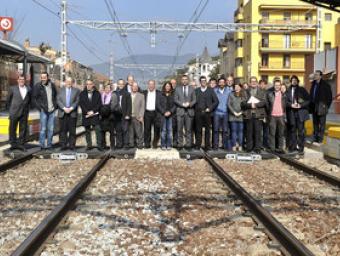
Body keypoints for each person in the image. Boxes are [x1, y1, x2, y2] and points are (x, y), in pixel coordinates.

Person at [241, 76, 266, 153]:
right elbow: (242, 103)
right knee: (249, 132)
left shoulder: (262, 91)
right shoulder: (245, 91)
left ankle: (257, 148)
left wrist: (256, 105)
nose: (253, 83)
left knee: (258, 132)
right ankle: (249, 148)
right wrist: (250, 105)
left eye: (255, 81)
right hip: (249, 114)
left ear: (257, 82)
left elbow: (264, 102)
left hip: (258, 114)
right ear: (249, 83)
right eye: (252, 81)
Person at [6, 74, 31, 151]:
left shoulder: (29, 89)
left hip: (24, 112)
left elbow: (29, 100)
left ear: (25, 80)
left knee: (23, 129)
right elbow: (8, 101)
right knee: (12, 129)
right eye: (20, 79)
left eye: (23, 79)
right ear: (17, 80)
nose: (21, 81)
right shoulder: (12, 89)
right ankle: (13, 144)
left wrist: (27, 109)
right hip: (14, 112)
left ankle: (21, 144)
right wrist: (11, 110)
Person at [33, 72, 57, 150]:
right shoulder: (37, 86)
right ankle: (42, 145)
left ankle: (49, 145)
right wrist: (40, 108)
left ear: (47, 77)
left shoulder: (52, 85)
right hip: (43, 110)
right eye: (42, 77)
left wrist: (55, 106)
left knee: (51, 128)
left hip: (52, 110)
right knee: (43, 129)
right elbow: (34, 98)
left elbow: (55, 96)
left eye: (44, 77)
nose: (43, 78)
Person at [286, 75, 310, 153]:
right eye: (292, 80)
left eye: (295, 80)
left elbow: (308, 100)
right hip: (292, 113)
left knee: (301, 131)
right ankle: (293, 147)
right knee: (292, 131)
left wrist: (301, 105)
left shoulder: (302, 90)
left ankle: (301, 148)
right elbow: (285, 101)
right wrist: (290, 105)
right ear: (291, 82)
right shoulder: (288, 90)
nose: (294, 81)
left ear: (298, 81)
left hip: (300, 113)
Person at [194, 76, 218, 150]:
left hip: (208, 113)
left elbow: (216, 101)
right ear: (200, 82)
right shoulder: (196, 90)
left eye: (204, 81)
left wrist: (210, 108)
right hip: (198, 113)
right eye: (202, 81)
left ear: (206, 82)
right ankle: (198, 145)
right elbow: (193, 101)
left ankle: (207, 146)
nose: (203, 82)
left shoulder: (211, 90)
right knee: (198, 130)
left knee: (207, 130)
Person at [56, 77, 80, 150]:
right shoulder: (60, 90)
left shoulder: (76, 91)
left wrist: (71, 108)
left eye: (70, 82)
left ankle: (72, 145)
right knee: (62, 130)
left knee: (72, 130)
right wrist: (64, 108)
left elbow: (77, 101)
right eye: (67, 81)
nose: (68, 83)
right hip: (62, 112)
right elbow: (58, 100)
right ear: (65, 82)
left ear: (72, 82)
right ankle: (63, 145)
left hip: (72, 113)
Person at [79, 79, 103, 150]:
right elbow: (81, 104)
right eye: (87, 84)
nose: (88, 86)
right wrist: (87, 112)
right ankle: (89, 145)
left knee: (98, 129)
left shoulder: (97, 93)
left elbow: (99, 104)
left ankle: (99, 145)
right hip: (86, 115)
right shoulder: (82, 93)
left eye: (90, 84)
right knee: (87, 130)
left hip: (95, 115)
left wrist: (92, 111)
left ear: (93, 85)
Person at [309, 70, 333, 143]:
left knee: (322, 124)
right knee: (315, 123)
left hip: (322, 106)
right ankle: (315, 137)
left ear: (320, 76)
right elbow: (311, 95)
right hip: (314, 106)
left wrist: (326, 106)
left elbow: (329, 97)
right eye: (315, 75)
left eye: (317, 75)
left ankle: (320, 138)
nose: (315, 76)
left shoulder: (326, 85)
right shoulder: (313, 84)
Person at [174, 75, 196, 149]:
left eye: (186, 79)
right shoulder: (177, 89)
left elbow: (194, 100)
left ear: (188, 80)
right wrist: (182, 104)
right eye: (183, 79)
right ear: (181, 80)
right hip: (180, 112)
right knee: (179, 129)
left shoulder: (192, 89)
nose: (184, 81)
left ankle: (188, 144)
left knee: (188, 130)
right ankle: (180, 144)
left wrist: (189, 104)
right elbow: (175, 99)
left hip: (189, 112)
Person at [266, 78, 286, 154]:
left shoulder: (284, 95)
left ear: (280, 86)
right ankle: (272, 148)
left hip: (281, 116)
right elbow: (267, 105)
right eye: (275, 85)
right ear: (273, 86)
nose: (277, 86)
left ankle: (280, 148)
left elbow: (286, 105)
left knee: (281, 133)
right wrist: (269, 113)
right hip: (272, 116)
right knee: (272, 133)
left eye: (278, 85)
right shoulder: (270, 94)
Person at [213, 77, 231, 150]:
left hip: (225, 113)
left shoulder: (229, 91)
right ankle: (216, 146)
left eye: (223, 82)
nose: (221, 83)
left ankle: (224, 145)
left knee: (225, 130)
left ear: (225, 83)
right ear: (218, 83)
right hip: (216, 113)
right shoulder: (214, 91)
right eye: (220, 82)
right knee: (216, 130)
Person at [157, 82, 176, 150]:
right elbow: (158, 105)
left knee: (170, 131)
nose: (167, 87)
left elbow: (175, 105)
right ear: (164, 87)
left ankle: (169, 144)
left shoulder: (173, 95)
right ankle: (163, 145)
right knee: (163, 130)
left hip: (171, 115)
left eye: (169, 86)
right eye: (166, 86)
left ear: (170, 87)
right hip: (163, 115)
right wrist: (164, 112)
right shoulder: (160, 94)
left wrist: (170, 112)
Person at [114, 79, 132, 149]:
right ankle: (119, 144)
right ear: (118, 85)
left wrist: (128, 114)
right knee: (118, 130)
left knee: (125, 130)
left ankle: (126, 144)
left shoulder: (127, 94)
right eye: (119, 84)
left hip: (125, 115)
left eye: (122, 84)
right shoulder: (115, 93)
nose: (121, 85)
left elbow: (129, 105)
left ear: (124, 85)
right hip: (117, 115)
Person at [143, 80, 161, 148]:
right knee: (147, 129)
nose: (151, 86)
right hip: (147, 113)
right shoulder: (144, 93)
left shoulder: (159, 93)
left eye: (152, 84)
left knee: (157, 129)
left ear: (154, 85)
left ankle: (155, 143)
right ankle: (147, 144)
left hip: (156, 113)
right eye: (150, 84)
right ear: (148, 85)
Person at [99, 83, 117, 150]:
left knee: (111, 133)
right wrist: (102, 111)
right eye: (106, 88)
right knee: (102, 132)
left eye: (109, 88)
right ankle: (103, 145)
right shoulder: (101, 95)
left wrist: (105, 110)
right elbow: (99, 105)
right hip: (103, 117)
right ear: (104, 88)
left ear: (111, 89)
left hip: (110, 117)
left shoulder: (113, 95)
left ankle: (112, 146)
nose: (107, 89)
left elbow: (113, 106)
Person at [228, 83, 244, 151]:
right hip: (233, 116)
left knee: (240, 132)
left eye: (238, 87)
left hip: (241, 116)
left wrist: (241, 112)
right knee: (233, 131)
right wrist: (234, 112)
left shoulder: (243, 95)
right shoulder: (231, 94)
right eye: (235, 87)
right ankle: (234, 145)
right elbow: (229, 104)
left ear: (240, 88)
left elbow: (245, 105)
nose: (236, 88)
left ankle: (240, 145)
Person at [129, 82, 145, 149]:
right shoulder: (128, 95)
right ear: (131, 87)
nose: (135, 87)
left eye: (136, 86)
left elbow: (142, 107)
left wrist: (141, 116)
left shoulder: (141, 95)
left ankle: (140, 144)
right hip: (129, 116)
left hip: (137, 117)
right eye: (133, 86)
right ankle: (131, 144)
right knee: (131, 132)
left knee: (139, 132)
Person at [170, 78, 178, 147]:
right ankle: (168, 142)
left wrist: (171, 111)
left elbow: (177, 103)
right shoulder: (166, 91)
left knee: (175, 128)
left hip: (175, 113)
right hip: (167, 113)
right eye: (172, 83)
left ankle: (175, 142)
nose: (173, 85)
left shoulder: (177, 91)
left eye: (174, 83)